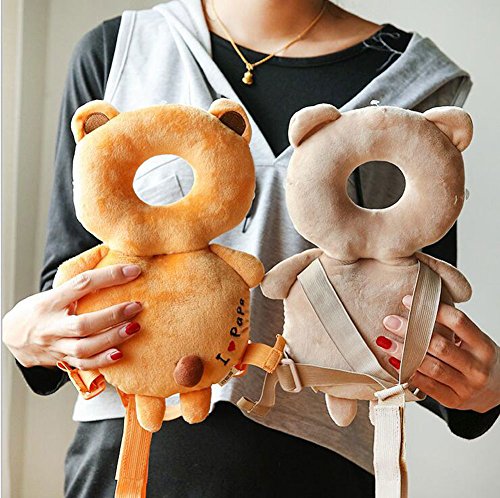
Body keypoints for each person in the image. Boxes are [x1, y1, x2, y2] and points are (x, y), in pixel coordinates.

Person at [3, 1, 500, 496]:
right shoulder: (120, 48)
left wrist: (486, 389)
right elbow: (61, 289)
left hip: (317, 471)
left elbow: (416, 320)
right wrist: (25, 336)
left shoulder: (415, 77)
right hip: (132, 461)